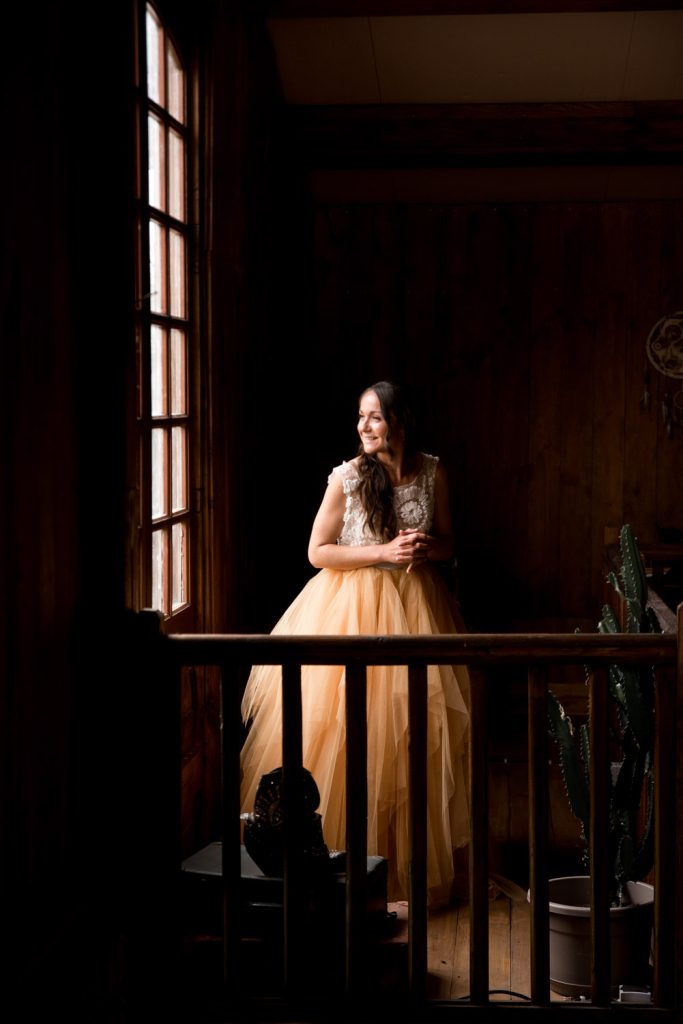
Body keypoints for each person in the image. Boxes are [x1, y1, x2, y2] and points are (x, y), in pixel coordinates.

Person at [240, 381, 470, 907]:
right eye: (360, 418)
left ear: (400, 421)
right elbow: (317, 552)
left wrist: (427, 548)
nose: (364, 427)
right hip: (348, 607)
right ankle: (336, 866)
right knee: (346, 731)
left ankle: (401, 868)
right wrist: (384, 552)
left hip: (419, 605)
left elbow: (450, 542)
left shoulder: (433, 472)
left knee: (413, 733)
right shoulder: (346, 478)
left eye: (374, 417)